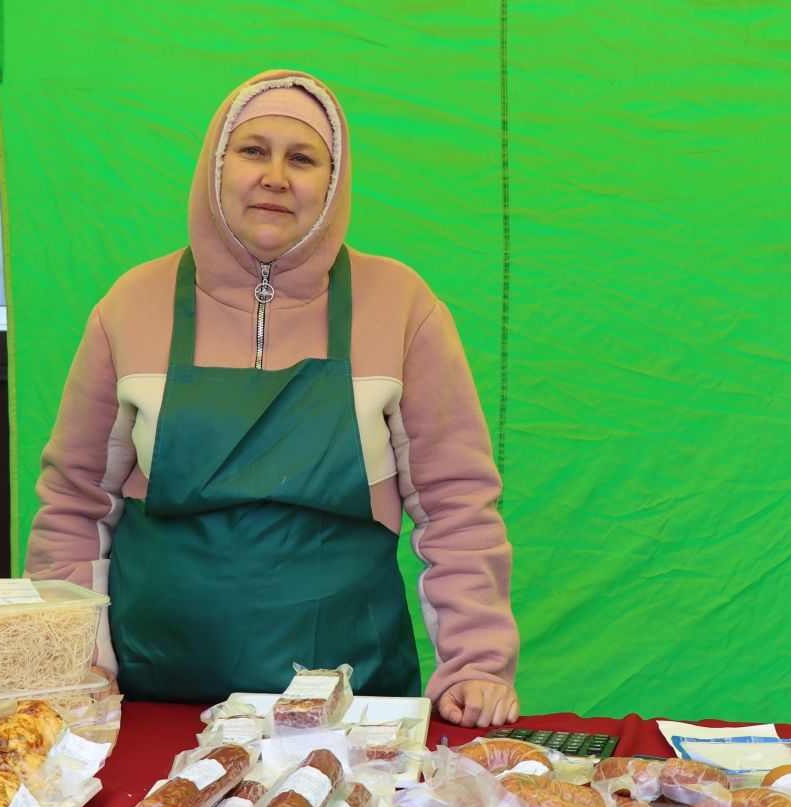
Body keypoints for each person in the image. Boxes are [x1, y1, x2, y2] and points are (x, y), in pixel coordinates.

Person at [27, 70, 520, 727]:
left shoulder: (402, 307)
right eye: (253, 150)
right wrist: (74, 664)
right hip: (153, 708)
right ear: (216, 165)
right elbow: (74, 503)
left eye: (303, 158)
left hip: (353, 711)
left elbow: (457, 505)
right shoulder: (131, 306)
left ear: (334, 182)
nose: (275, 176)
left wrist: (475, 665)